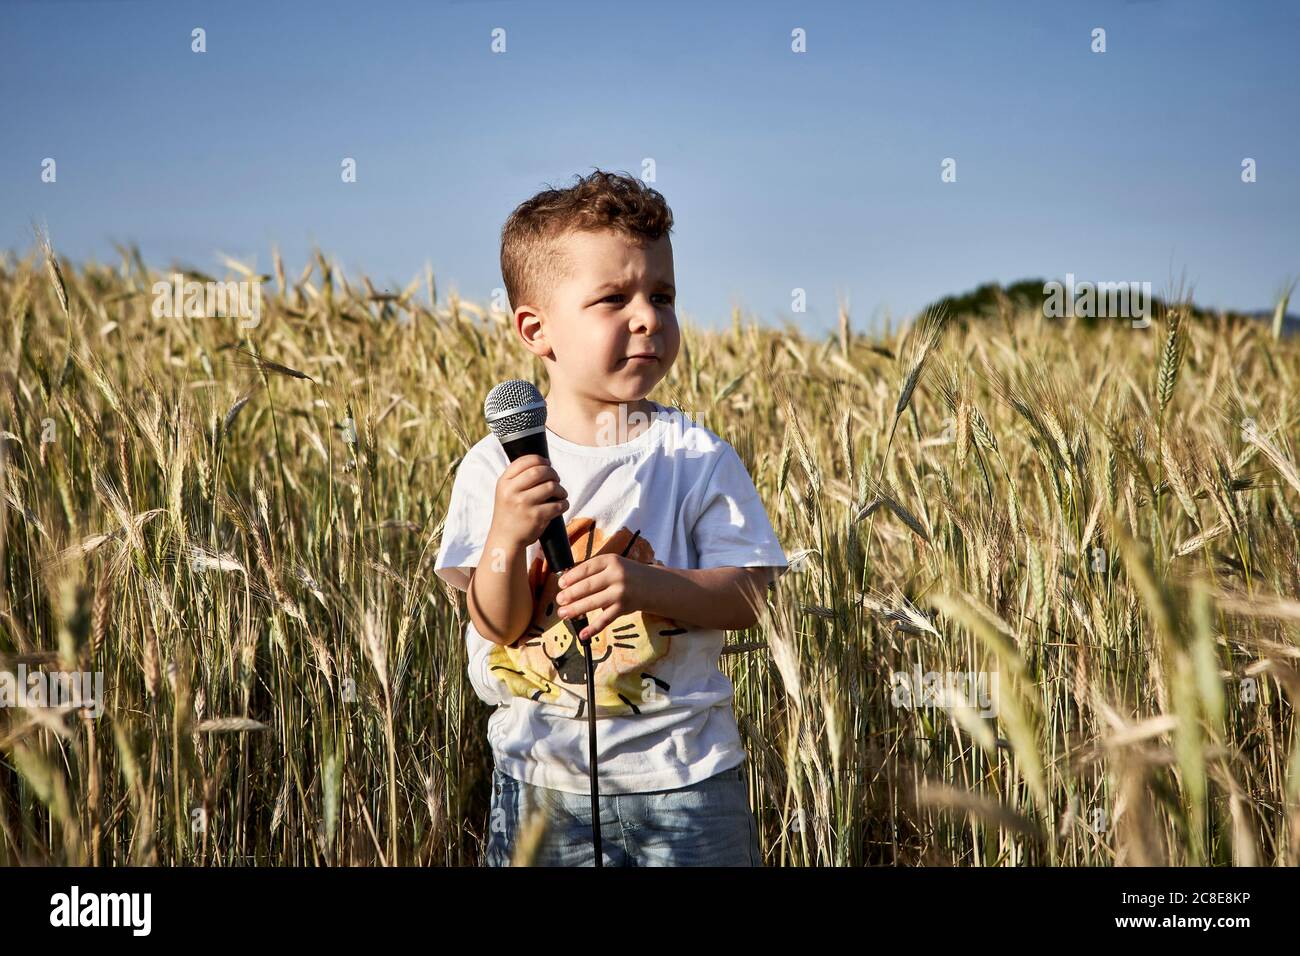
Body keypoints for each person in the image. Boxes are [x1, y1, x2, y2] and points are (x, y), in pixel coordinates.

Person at [433, 169, 788, 866]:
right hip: (540, 783)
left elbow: (750, 595)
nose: (647, 317)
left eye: (662, 296)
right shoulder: (491, 468)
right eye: (612, 299)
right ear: (537, 330)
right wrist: (506, 534)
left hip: (686, 778)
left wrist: (646, 586)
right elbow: (497, 623)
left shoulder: (695, 455)